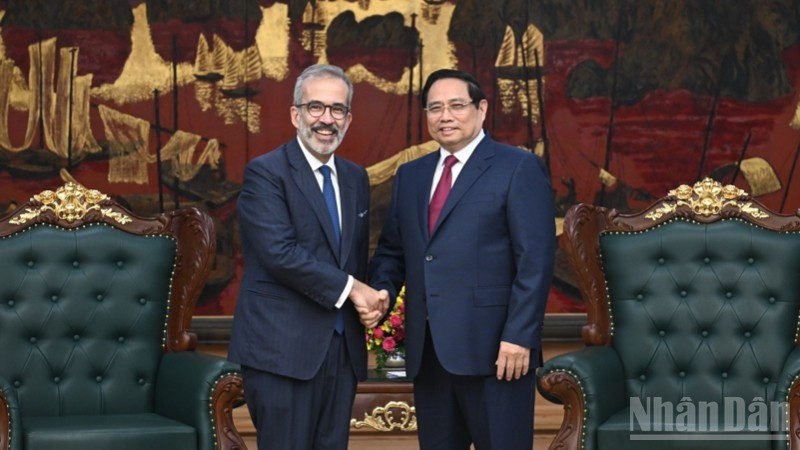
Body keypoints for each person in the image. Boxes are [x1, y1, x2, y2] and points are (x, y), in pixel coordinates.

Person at [369, 69, 556, 449]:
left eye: (457, 106)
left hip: (499, 353)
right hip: (430, 354)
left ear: (482, 108)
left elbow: (534, 259)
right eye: (434, 108)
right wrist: (382, 293)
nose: (445, 116)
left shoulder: (517, 167)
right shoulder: (411, 176)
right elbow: (392, 250)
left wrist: (519, 336)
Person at [229, 64, 389, 450]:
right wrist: (354, 290)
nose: (326, 119)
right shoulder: (265, 173)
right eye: (315, 107)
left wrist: (375, 297)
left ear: (348, 119)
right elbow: (279, 254)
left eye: (337, 110)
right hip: (281, 351)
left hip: (341, 352)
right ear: (295, 114)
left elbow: (352, 258)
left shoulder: (355, 178)